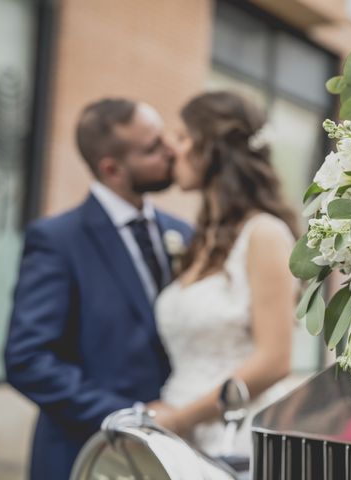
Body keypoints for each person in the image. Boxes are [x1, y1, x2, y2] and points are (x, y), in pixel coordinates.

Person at [4, 98, 192, 480]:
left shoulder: (184, 233)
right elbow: (28, 358)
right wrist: (131, 417)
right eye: (152, 147)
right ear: (112, 169)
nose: (170, 151)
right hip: (87, 455)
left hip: (177, 454)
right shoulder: (57, 240)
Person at [149, 91, 298, 457]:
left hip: (235, 438)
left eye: (183, 138)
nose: (173, 149)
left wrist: (182, 418)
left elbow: (275, 360)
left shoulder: (264, 234)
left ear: (213, 149)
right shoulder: (199, 241)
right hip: (178, 437)